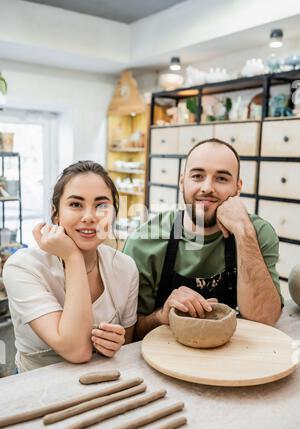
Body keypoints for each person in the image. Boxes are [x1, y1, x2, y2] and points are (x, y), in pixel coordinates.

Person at [123, 138, 282, 340]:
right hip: (165, 359)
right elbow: (130, 335)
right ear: (182, 181)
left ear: (238, 187)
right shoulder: (143, 241)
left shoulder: (257, 233)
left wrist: (243, 232)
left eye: (222, 179)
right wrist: (161, 316)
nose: (207, 187)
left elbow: (265, 318)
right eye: (197, 176)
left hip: (235, 359)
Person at [3, 161, 138, 372]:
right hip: (37, 391)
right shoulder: (22, 267)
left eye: (102, 205)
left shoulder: (125, 267)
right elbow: (77, 351)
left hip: (104, 383)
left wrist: (113, 345)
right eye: (76, 204)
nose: (89, 217)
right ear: (55, 213)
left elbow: (127, 345)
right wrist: (73, 257)